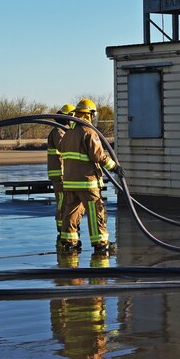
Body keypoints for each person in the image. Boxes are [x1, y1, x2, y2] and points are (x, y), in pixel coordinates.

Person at [59, 98, 120, 253]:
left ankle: (69, 241)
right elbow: (98, 155)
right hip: (87, 182)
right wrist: (114, 167)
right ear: (89, 114)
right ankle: (101, 244)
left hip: (70, 182)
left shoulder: (68, 134)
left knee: (71, 211)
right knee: (96, 211)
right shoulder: (89, 132)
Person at [47, 104, 76, 237]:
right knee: (62, 201)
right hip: (60, 173)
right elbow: (64, 147)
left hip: (64, 173)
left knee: (67, 201)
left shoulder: (63, 130)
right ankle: (62, 227)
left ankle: (65, 226)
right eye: (72, 117)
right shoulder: (59, 131)